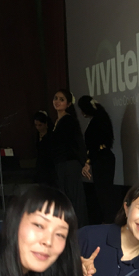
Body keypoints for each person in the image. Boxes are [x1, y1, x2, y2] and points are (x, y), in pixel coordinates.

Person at [50, 89, 88, 226]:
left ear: (68, 104)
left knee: (73, 197)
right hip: (61, 164)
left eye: (61, 99)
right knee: (65, 197)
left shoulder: (69, 120)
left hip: (70, 164)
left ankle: (77, 227)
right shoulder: (57, 121)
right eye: (56, 98)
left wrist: (84, 162)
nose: (57, 102)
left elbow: (78, 142)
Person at [78, 95, 116, 222]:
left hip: (101, 160)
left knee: (103, 194)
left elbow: (94, 146)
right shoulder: (102, 119)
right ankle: (109, 221)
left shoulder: (96, 122)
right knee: (106, 193)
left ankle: (108, 222)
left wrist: (88, 162)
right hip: (104, 158)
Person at [33, 110, 54, 186]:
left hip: (50, 167)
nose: (38, 128)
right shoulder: (37, 135)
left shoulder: (51, 136)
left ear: (46, 124)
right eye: (36, 125)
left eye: (40, 125)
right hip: (40, 167)